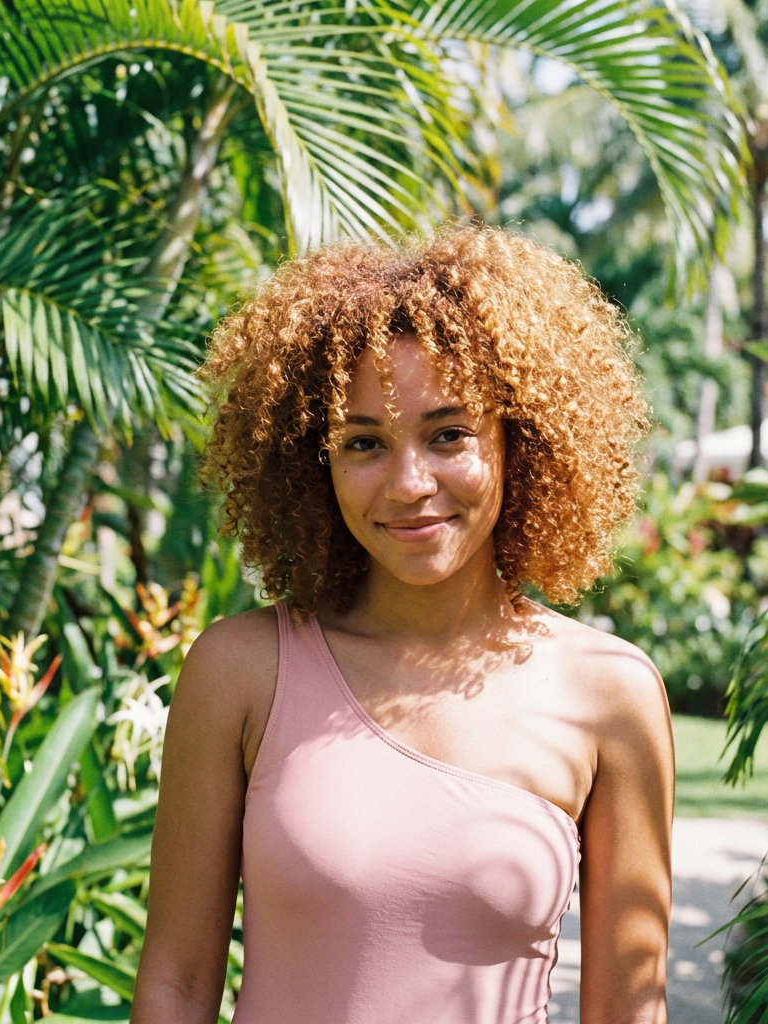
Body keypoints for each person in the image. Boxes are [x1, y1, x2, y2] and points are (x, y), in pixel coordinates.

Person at [131, 226, 674, 1024]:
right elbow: (174, 984)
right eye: (364, 444)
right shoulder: (242, 671)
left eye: (449, 434)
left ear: (517, 439)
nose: (410, 483)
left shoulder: (609, 695)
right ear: (316, 462)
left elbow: (631, 1010)